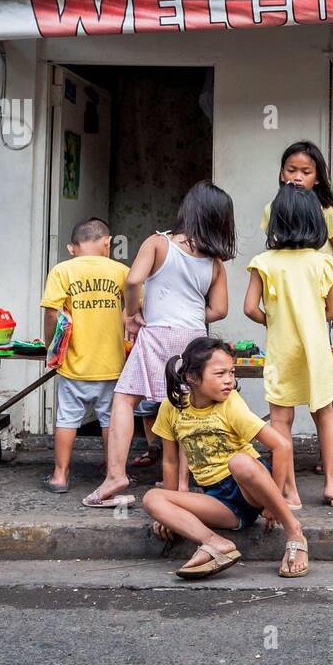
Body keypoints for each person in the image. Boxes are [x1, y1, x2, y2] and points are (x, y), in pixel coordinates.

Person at [87, 181, 234, 507]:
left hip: (157, 333)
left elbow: (133, 280)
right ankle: (181, 484)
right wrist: (193, 313)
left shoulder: (158, 243)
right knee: (184, 404)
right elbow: (221, 309)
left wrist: (131, 314)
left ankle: (116, 476)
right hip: (194, 337)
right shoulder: (215, 262)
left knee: (125, 399)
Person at [143, 337, 308, 578]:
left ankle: (294, 531)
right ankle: (215, 543)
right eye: (220, 373)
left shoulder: (231, 404)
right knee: (152, 499)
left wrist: (274, 504)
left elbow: (281, 446)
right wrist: (170, 512)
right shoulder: (172, 407)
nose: (229, 380)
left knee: (239, 462)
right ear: (191, 377)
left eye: (232, 372)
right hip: (220, 501)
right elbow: (170, 461)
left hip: (251, 489)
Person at [246, 183, 333, 508]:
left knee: (280, 422)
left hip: (281, 354)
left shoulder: (263, 262)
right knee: (325, 416)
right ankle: (331, 485)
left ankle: (289, 492)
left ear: (275, 223)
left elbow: (249, 308)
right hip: (316, 355)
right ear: (315, 224)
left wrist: (272, 321)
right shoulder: (324, 264)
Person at [39, 217, 129, 494]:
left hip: (73, 363)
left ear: (72, 247)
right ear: (107, 243)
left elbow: (52, 313)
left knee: (67, 418)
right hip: (111, 363)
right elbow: (138, 310)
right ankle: (112, 474)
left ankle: (59, 476)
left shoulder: (61, 271)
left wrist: (51, 347)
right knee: (110, 420)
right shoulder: (122, 270)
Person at [261, 141, 333, 335]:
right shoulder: (272, 210)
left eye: (306, 172)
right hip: (284, 305)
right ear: (281, 173)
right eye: (291, 170)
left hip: (319, 304)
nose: (297, 177)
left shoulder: (327, 212)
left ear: (318, 178)